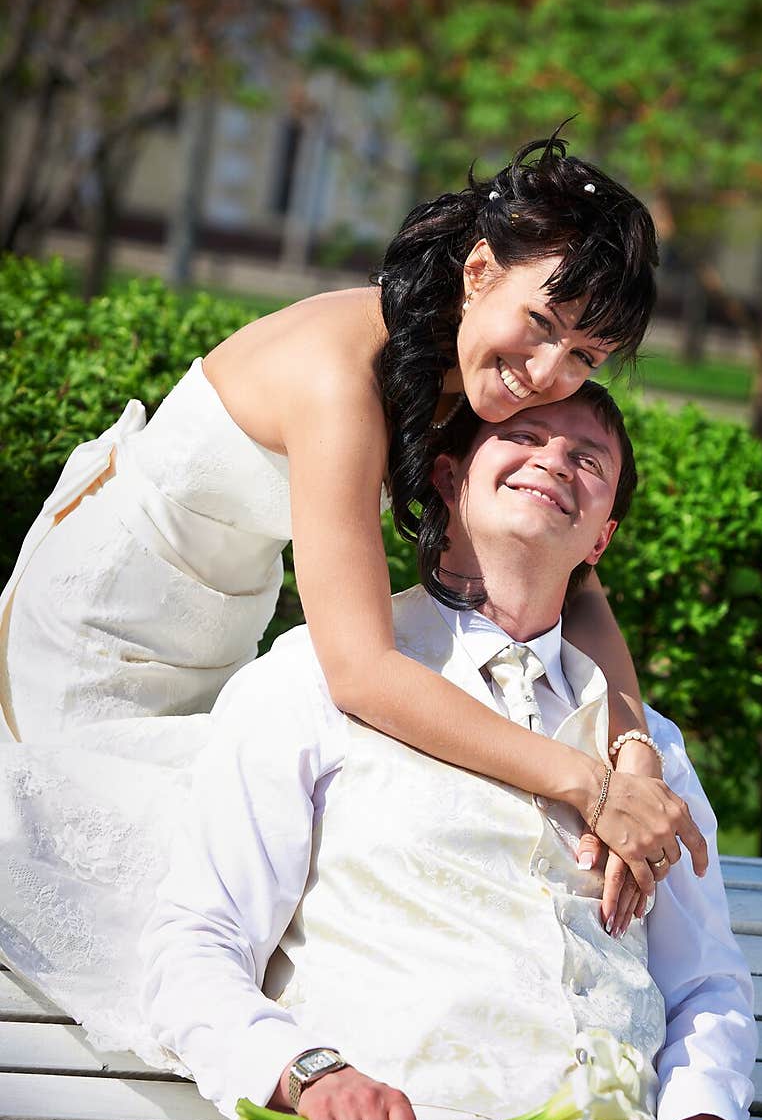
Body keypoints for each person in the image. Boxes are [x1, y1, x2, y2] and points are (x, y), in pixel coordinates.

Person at [0, 133, 707, 1054]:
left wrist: (633, 754)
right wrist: (584, 783)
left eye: (585, 355)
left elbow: (581, 590)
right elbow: (364, 675)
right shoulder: (339, 382)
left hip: (217, 632)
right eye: (541, 324)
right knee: (205, 879)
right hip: (98, 637)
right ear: (481, 269)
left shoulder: (473, 375)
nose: (548, 375)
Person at [143, 382, 762, 1120]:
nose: (555, 459)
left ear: (603, 536)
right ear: (450, 478)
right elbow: (196, 944)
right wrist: (312, 1073)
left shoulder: (648, 750)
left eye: (588, 458)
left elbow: (705, 982)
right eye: (523, 434)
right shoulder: (308, 682)